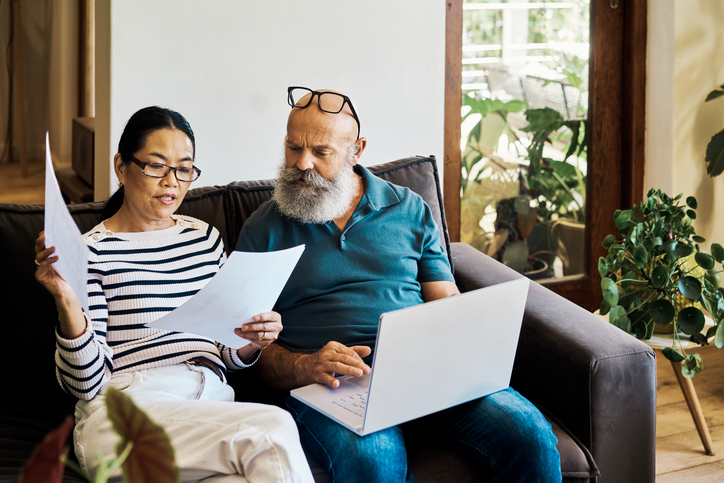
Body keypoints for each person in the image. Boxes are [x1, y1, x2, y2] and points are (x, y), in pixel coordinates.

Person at [237, 87, 562, 482]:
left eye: (321, 152)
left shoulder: (409, 208)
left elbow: (446, 301)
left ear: (356, 150)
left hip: (423, 372)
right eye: (293, 148)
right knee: (373, 459)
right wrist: (307, 365)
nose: (302, 163)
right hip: (330, 384)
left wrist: (460, 346)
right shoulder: (264, 226)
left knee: (530, 434)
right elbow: (249, 350)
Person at [34, 106, 313, 483]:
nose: (172, 182)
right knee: (272, 429)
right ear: (121, 166)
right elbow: (84, 382)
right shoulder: (91, 251)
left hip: (208, 406)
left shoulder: (205, 239)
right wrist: (67, 303)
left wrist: (252, 340)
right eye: (156, 166)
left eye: (184, 169)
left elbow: (227, 351)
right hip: (126, 411)